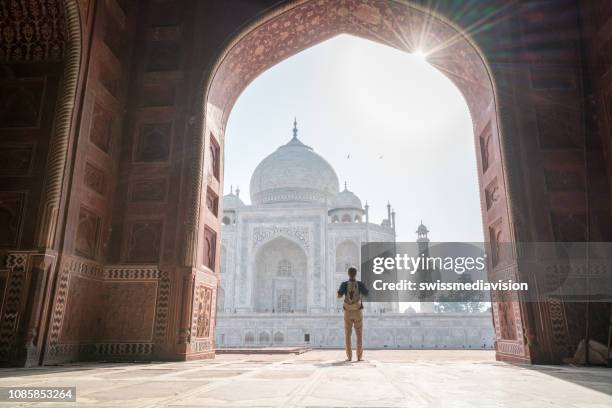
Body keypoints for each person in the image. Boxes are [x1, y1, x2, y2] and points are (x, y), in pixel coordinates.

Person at [337, 266, 369, 361]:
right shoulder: (359, 284)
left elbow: (339, 296)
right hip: (357, 311)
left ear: (348, 274)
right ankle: (359, 357)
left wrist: (341, 292)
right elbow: (367, 294)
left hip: (347, 311)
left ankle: (349, 357)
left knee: (348, 335)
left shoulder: (344, 284)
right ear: (356, 274)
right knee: (359, 335)